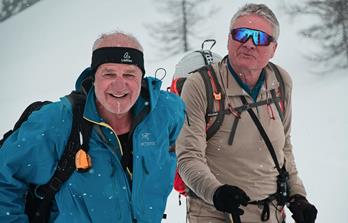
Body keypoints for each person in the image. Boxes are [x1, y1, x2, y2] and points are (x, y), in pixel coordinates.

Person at [0, 31, 185, 222]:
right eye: (109, 73)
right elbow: (4, 178)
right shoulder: (57, 121)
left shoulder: (167, 112)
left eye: (129, 74)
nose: (120, 85)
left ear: (142, 78)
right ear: (94, 77)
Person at [175, 3, 317, 223]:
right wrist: (216, 192)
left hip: (270, 212)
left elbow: (284, 146)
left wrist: (297, 195)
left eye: (260, 38)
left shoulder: (280, 82)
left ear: (274, 48)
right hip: (214, 212)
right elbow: (188, 156)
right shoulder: (200, 85)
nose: (249, 44)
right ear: (229, 39)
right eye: (241, 34)